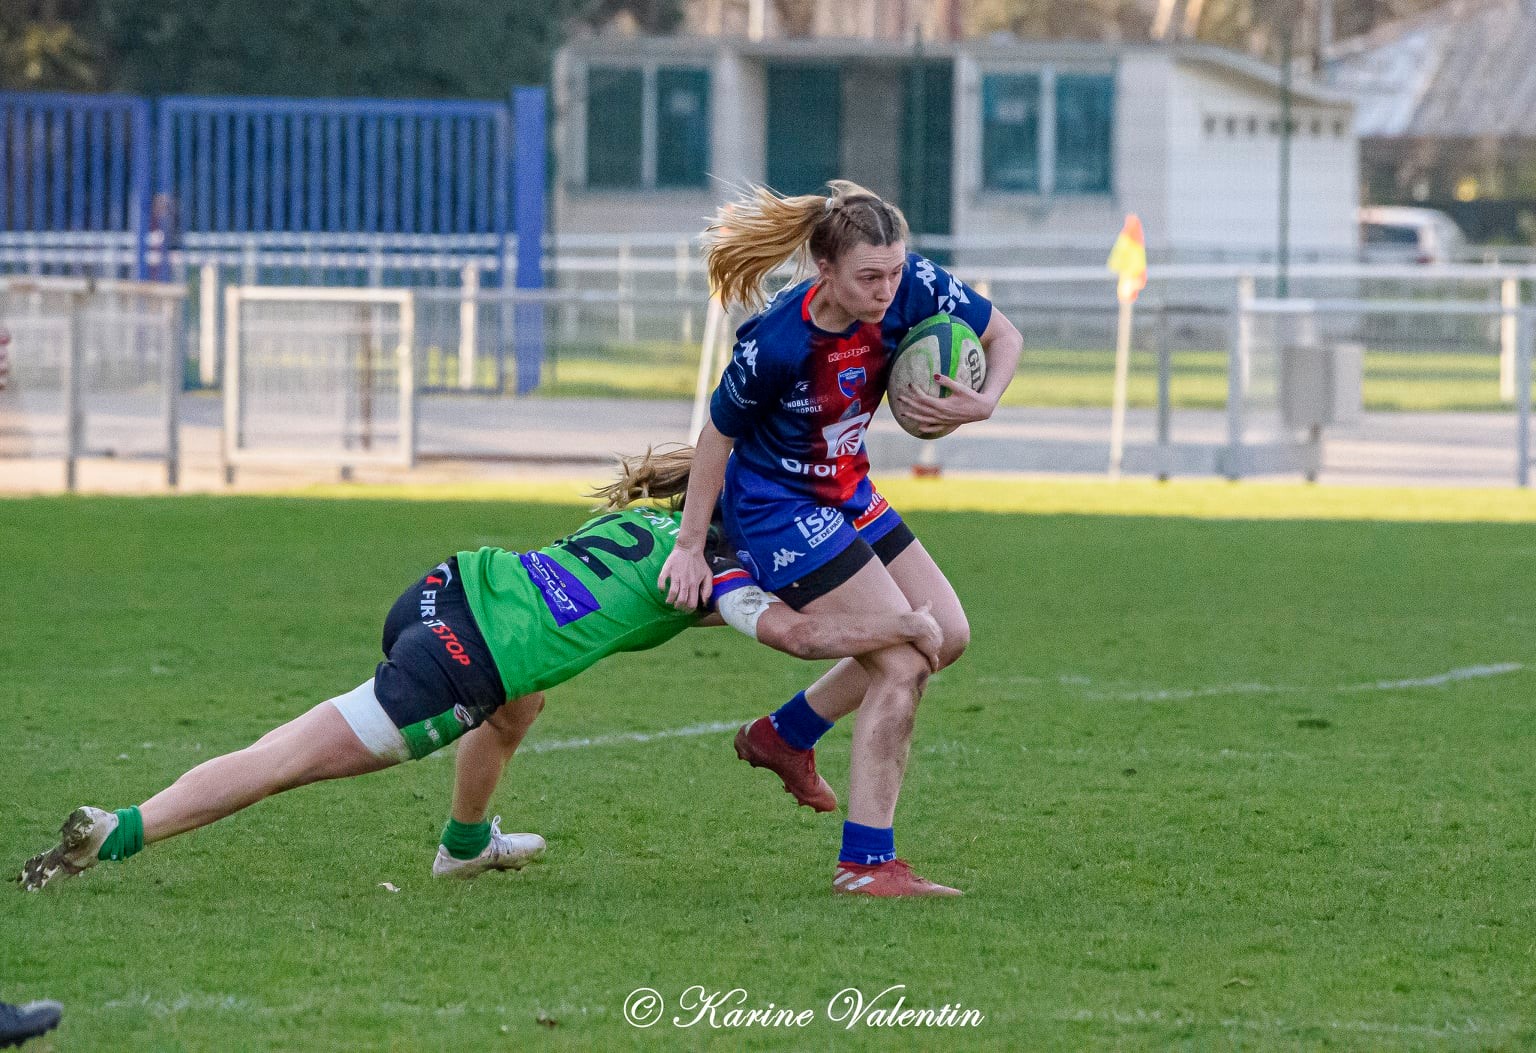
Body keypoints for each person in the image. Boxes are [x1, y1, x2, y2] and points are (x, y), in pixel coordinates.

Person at [18, 447, 942, 892]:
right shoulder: (708, 567)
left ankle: (464, 847)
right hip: (460, 659)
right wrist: (900, 621)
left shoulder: (662, 523)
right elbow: (785, 632)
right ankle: (119, 830)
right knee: (286, 758)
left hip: (445, 588)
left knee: (522, 700)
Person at [657, 180, 1024, 897]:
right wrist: (690, 544)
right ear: (825, 272)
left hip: (847, 490)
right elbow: (716, 437)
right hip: (778, 508)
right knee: (904, 657)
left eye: (893, 271)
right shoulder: (779, 342)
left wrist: (985, 401)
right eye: (868, 277)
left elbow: (1003, 335)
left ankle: (785, 733)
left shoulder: (910, 282)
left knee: (946, 633)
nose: (887, 289)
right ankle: (864, 862)